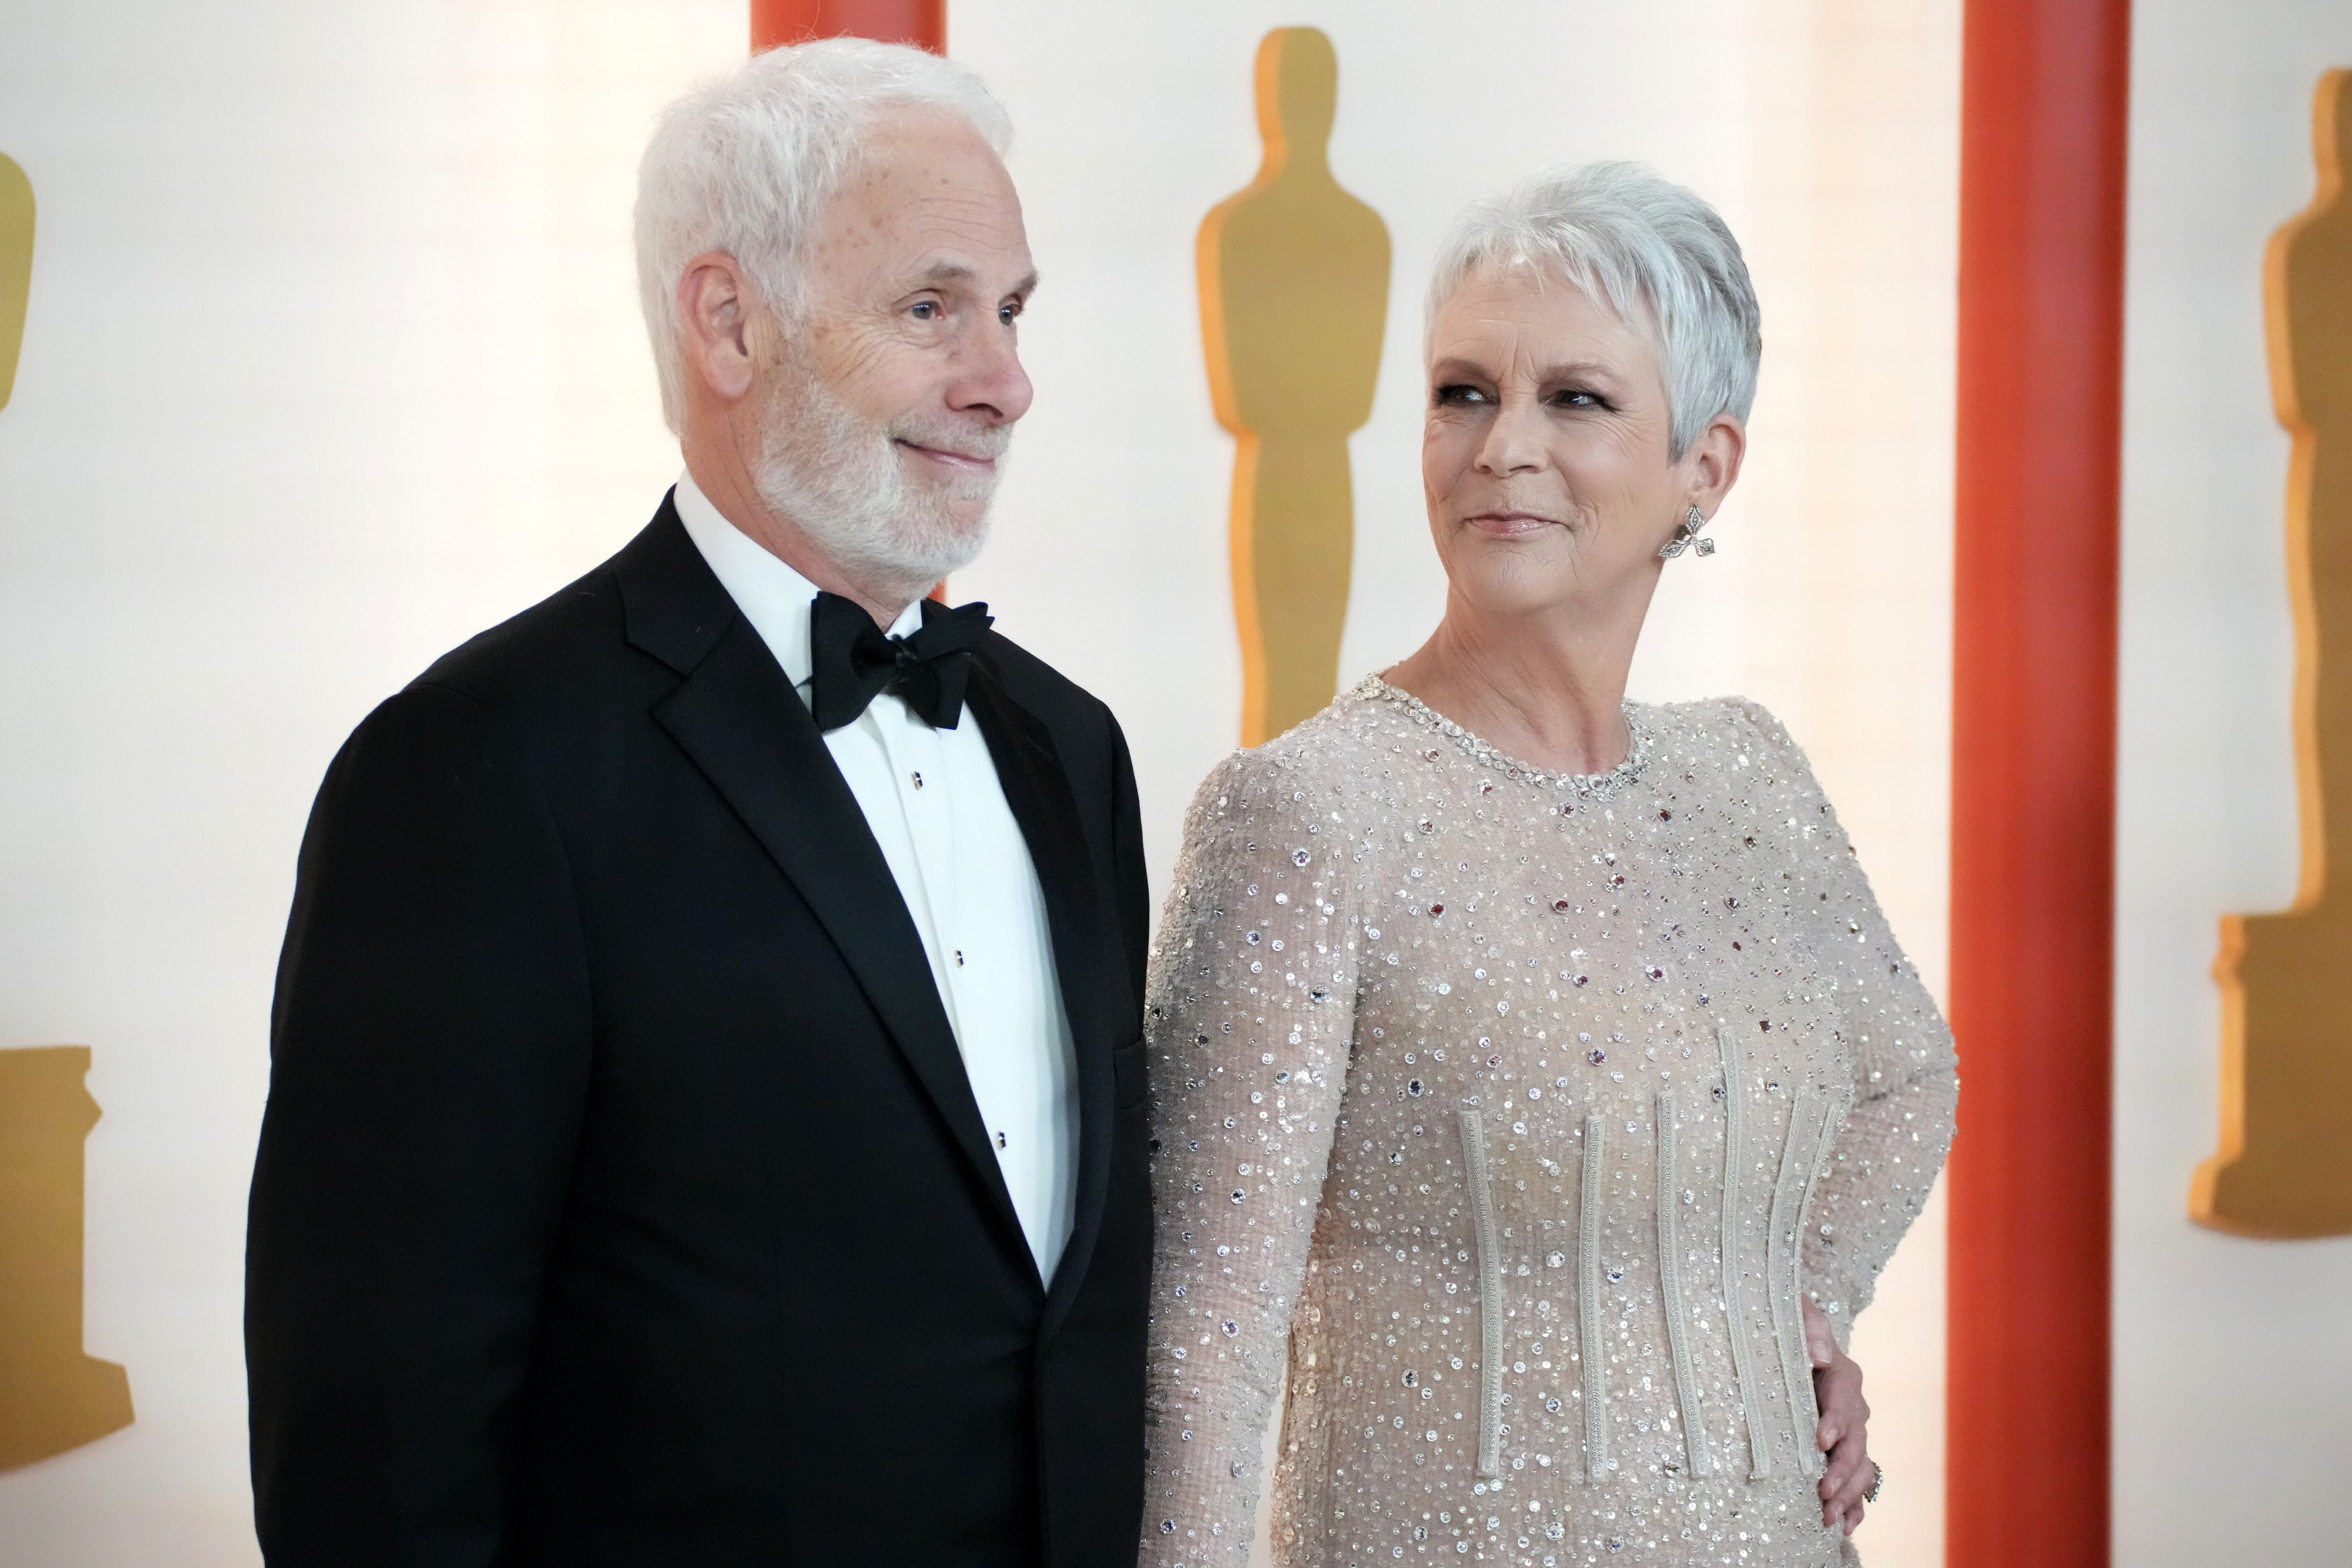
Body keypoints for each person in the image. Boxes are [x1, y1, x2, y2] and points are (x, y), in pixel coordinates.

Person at [246, 40, 1152, 1567]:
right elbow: (374, 1453)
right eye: (932, 307)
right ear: (728, 322)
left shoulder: (1074, 749)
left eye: (1010, 311)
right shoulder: (472, 772)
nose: (1005, 380)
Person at [1138, 163, 1957, 1567]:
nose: (1501, 445)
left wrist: (1792, 1305)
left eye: (1574, 399)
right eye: (1464, 393)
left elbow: (1909, 1075)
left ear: (1707, 466)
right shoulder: (1307, 817)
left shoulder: (1750, 773)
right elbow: (1204, 1361)